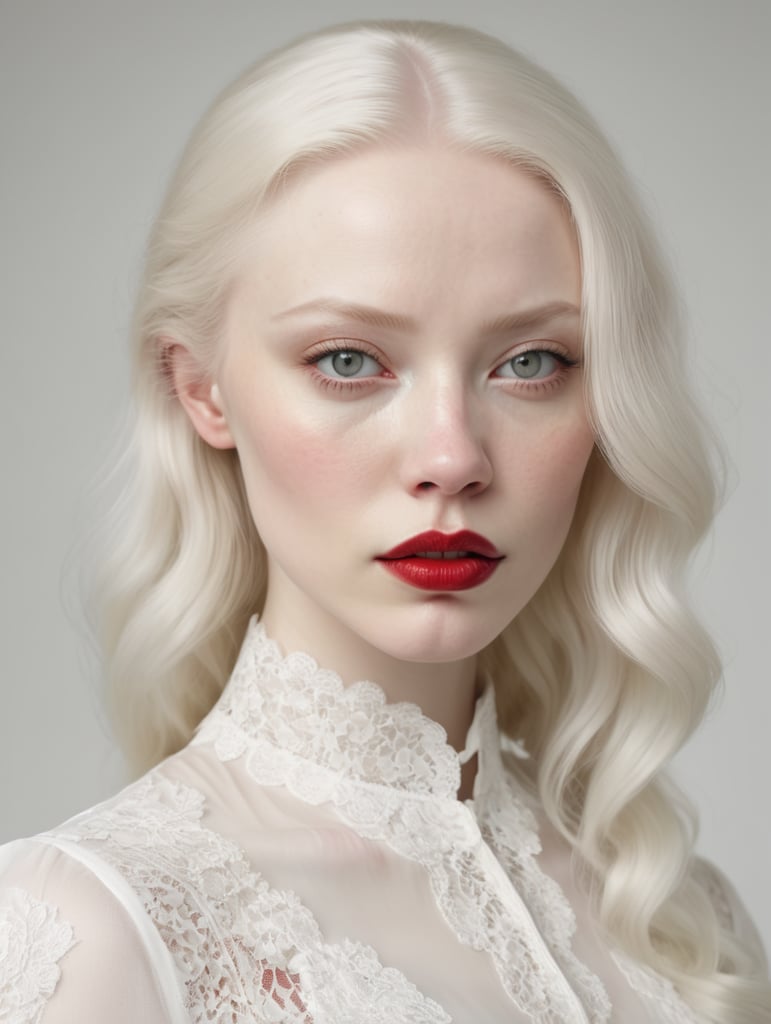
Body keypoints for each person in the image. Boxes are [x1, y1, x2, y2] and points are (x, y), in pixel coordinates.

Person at [0, 18, 768, 1024]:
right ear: (202, 392)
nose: (451, 455)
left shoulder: (679, 916)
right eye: (349, 360)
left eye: (530, 362)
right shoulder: (94, 928)